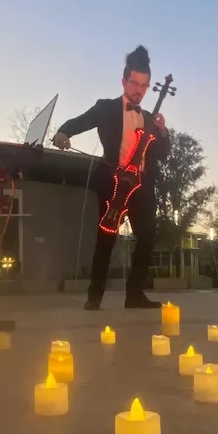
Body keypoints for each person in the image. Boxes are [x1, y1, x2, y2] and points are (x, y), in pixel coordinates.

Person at [52, 46, 170, 310]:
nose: (139, 89)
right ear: (124, 81)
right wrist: (63, 132)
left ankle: (135, 295)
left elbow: (162, 155)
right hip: (112, 184)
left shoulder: (150, 119)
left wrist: (163, 132)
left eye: (144, 85)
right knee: (106, 238)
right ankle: (94, 296)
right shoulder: (106, 108)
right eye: (134, 83)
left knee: (148, 239)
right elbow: (79, 121)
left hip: (141, 187)